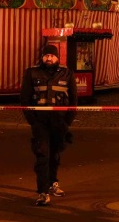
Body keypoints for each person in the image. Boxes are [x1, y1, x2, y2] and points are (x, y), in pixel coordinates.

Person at [20, 44, 78, 206]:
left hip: (60, 122)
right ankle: (42, 192)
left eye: (52, 56)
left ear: (57, 58)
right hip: (40, 122)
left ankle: (53, 182)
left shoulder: (67, 73)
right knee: (42, 155)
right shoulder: (32, 72)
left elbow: (73, 100)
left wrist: (67, 121)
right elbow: (24, 99)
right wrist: (33, 120)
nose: (49, 58)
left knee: (55, 154)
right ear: (42, 57)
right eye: (46, 56)